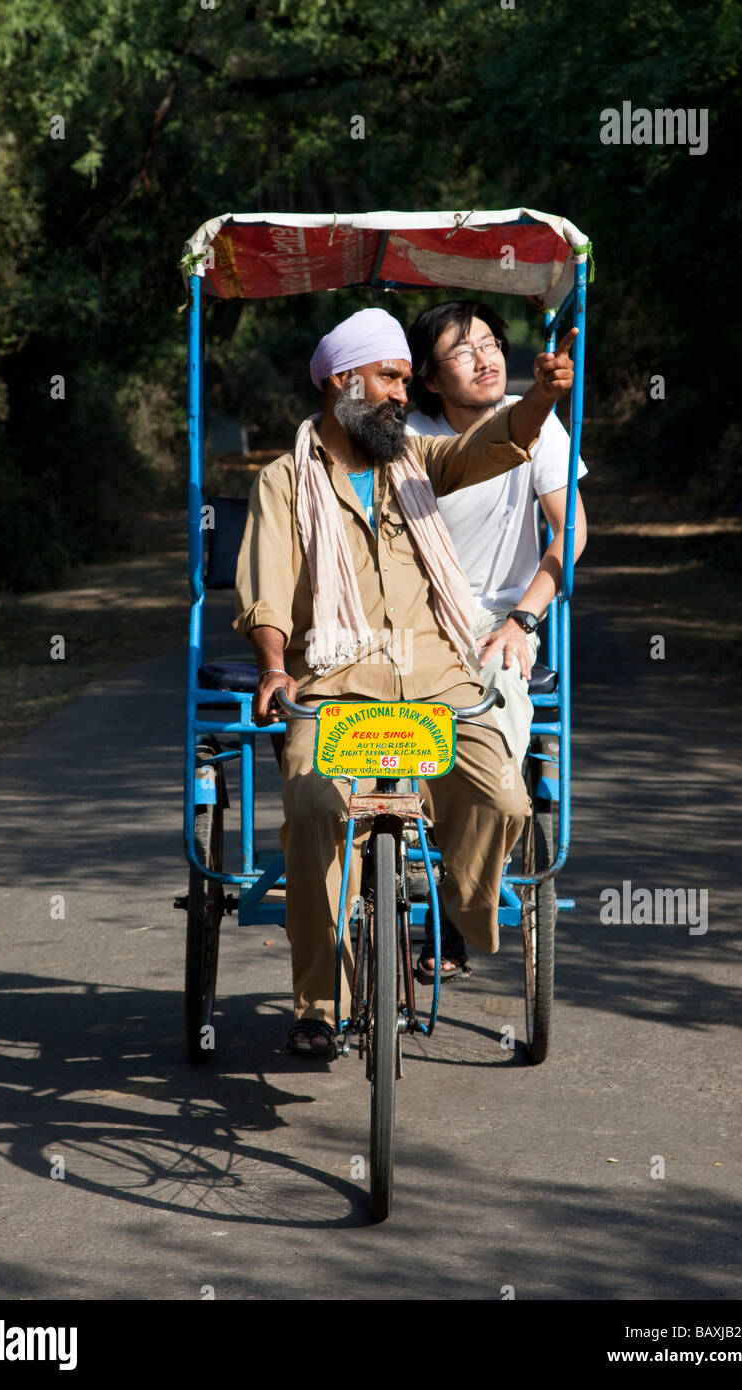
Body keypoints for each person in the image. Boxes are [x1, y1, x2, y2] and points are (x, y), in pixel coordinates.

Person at [234, 307, 577, 1055]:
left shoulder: (418, 460)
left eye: (401, 377)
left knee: (502, 796)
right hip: (332, 687)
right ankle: (320, 1008)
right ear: (341, 382)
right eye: (388, 378)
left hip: (437, 683)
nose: (400, 394)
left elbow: (494, 443)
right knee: (315, 806)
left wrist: (543, 400)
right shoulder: (283, 482)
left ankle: (460, 908)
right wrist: (271, 668)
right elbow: (266, 588)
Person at [405, 300, 588, 773]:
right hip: (417, 618)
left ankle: (493, 826)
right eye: (464, 352)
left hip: (500, 617)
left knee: (501, 680)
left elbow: (570, 531)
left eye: (490, 345)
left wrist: (522, 621)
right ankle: (397, 825)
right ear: (429, 379)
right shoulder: (407, 439)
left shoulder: (537, 421)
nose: (486, 360)